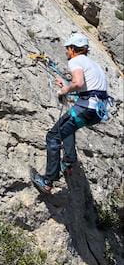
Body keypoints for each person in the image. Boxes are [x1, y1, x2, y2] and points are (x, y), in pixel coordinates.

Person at [31, 33, 110, 195]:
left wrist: (64, 89)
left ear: (73, 49)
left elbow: (79, 83)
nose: (66, 52)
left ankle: (47, 181)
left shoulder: (76, 60)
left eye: (68, 49)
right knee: (68, 128)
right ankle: (68, 161)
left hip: (86, 108)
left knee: (53, 137)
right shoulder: (95, 65)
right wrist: (68, 85)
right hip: (96, 112)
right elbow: (89, 89)